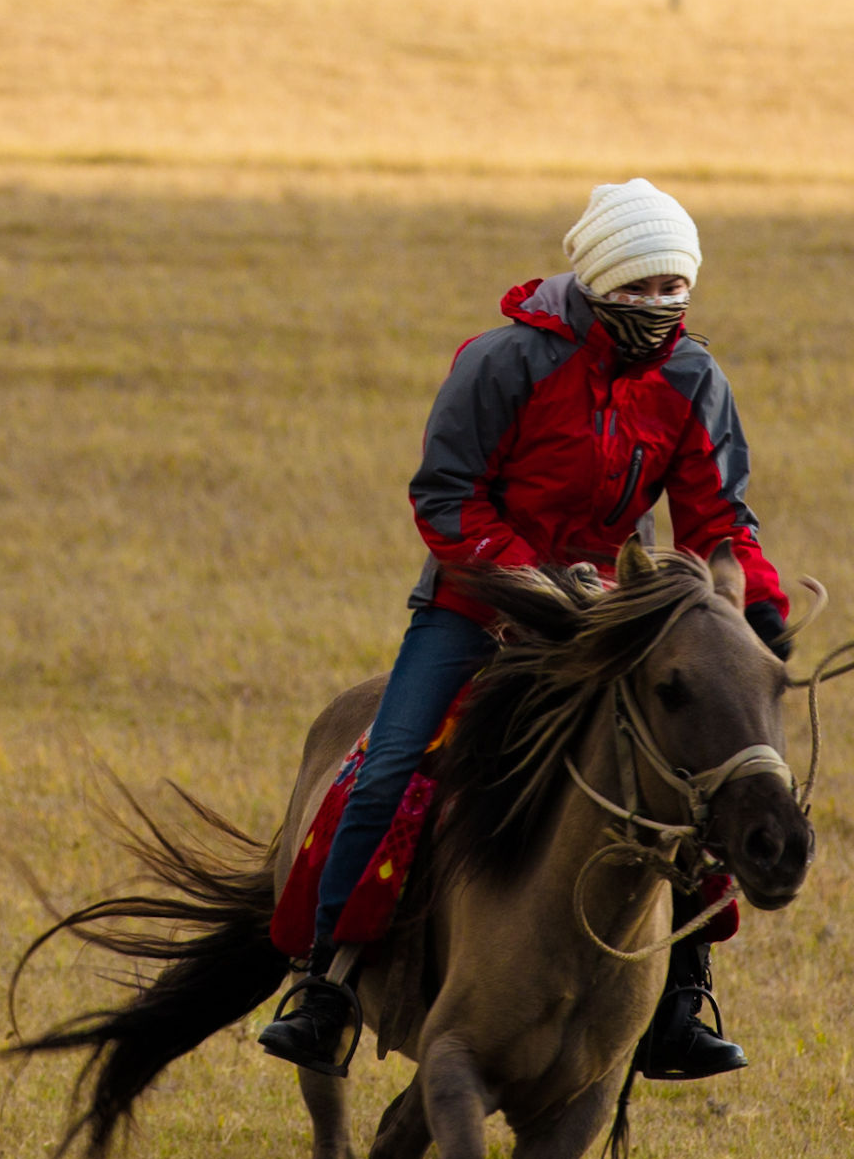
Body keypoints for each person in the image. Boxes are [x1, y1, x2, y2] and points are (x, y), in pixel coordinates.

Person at [257, 179, 792, 1076]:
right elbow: (445, 498)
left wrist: (758, 610)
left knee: (705, 763)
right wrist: (535, 585)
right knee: (387, 765)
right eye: (642, 287)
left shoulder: (693, 378)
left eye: (676, 288)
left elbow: (719, 520)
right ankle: (327, 982)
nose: (662, 307)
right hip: (477, 605)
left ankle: (681, 996)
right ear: (599, 281)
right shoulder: (502, 363)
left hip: (620, 620)